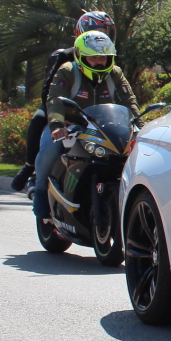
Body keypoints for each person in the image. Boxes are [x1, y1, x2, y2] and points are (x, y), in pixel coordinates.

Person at [32, 30, 141, 226]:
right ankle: (39, 191)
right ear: (81, 57)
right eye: (93, 58)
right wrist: (57, 125)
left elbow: (129, 100)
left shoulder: (115, 73)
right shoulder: (67, 70)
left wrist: (138, 124)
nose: (99, 62)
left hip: (104, 128)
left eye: (104, 58)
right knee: (49, 148)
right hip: (72, 126)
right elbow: (54, 99)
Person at [11, 11, 116, 192]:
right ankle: (31, 170)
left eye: (105, 31)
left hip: (96, 114)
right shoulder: (62, 57)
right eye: (97, 30)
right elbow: (49, 91)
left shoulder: (111, 58)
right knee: (38, 121)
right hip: (62, 110)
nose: (101, 37)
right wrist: (63, 118)